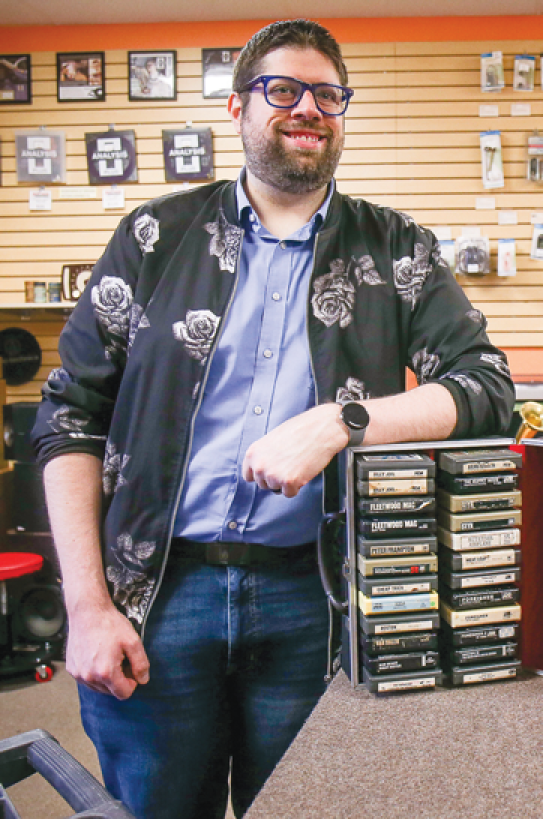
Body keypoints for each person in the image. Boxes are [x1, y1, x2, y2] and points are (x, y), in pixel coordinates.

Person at [32, 19, 514, 819]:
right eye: (282, 90)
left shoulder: (397, 248)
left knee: (304, 805)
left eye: (329, 94)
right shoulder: (154, 237)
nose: (308, 109)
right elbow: (70, 416)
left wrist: (343, 420)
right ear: (237, 108)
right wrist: (86, 606)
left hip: (316, 597)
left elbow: (486, 386)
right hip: (157, 590)